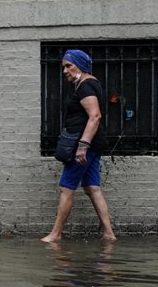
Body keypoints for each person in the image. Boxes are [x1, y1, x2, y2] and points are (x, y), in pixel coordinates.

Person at [41, 49, 117, 242]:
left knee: (66, 188)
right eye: (63, 67)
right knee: (92, 188)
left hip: (83, 147)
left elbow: (95, 116)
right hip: (93, 145)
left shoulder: (85, 86)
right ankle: (108, 233)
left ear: (81, 65)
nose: (65, 70)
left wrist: (82, 147)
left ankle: (55, 234)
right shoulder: (90, 84)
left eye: (69, 65)